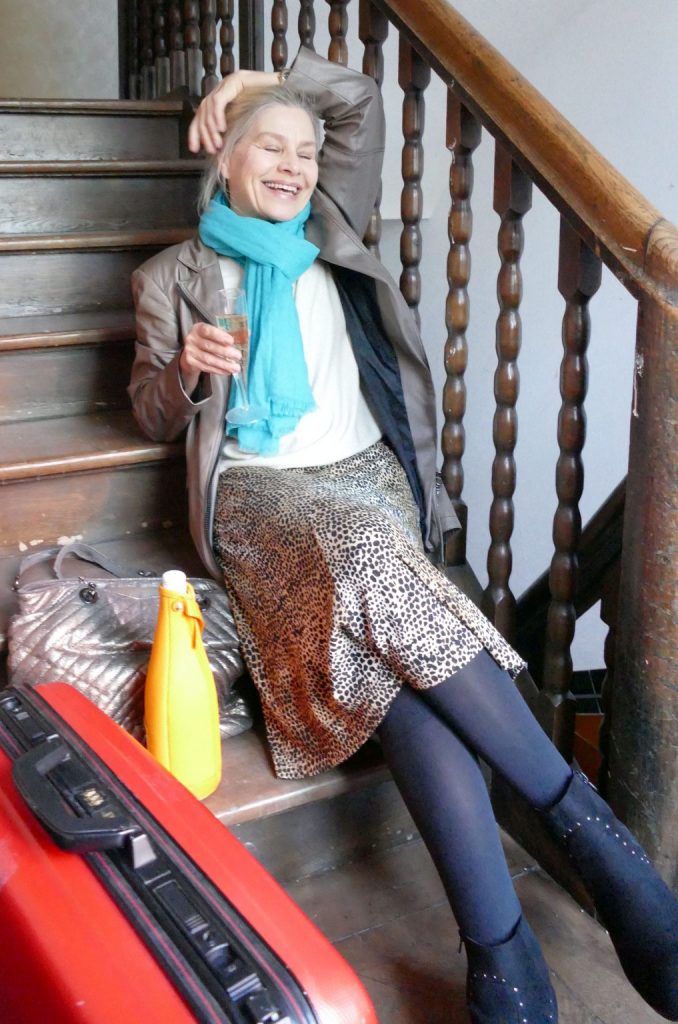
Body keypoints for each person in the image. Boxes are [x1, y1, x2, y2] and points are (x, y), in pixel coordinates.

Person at [129, 46, 678, 1024]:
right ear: (226, 159)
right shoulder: (171, 276)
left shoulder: (333, 229)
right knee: (373, 566)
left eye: (306, 151)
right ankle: (604, 850)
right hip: (259, 498)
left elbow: (356, 98)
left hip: (367, 480)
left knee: (392, 668)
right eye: (270, 145)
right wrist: (184, 372)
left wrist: (252, 86)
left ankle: (501, 951)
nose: (295, 165)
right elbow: (145, 413)